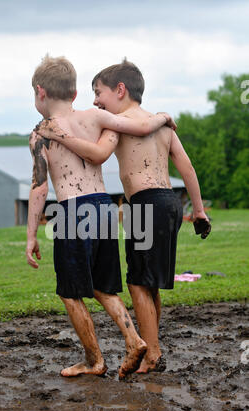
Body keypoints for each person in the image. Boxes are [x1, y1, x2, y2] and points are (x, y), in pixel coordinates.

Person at [36, 59, 211, 374]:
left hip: (143, 204)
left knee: (137, 283)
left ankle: (151, 353)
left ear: (120, 90)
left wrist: (59, 136)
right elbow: (186, 166)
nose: (95, 100)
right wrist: (197, 209)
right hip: (169, 201)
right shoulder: (160, 125)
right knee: (150, 281)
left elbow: (98, 154)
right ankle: (149, 344)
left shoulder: (115, 124)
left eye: (99, 92)